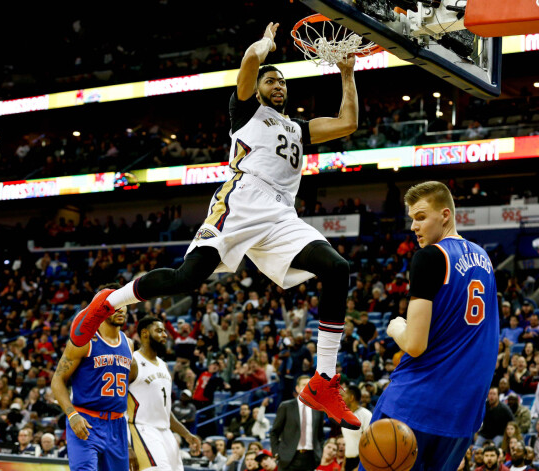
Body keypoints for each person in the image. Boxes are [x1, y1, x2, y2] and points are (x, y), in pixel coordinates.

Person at [71, 22, 362, 430]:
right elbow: (247, 62)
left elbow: (348, 123)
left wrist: (347, 75)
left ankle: (323, 381)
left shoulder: (297, 129)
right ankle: (109, 301)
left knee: (338, 268)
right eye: (271, 80)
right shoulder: (245, 111)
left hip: (281, 214)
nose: (278, 85)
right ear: (258, 89)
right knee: (185, 279)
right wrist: (265, 46)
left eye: (282, 82)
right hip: (241, 202)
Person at [374, 181, 500, 469]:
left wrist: (396, 328)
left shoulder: (430, 256)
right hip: (463, 414)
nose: (414, 227)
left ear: (445, 215)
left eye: (421, 217)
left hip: (415, 403)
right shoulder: (484, 258)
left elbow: (415, 345)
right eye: (412, 219)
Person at [50, 285, 135, 471]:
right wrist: (72, 415)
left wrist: (130, 440)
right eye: (115, 303)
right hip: (86, 420)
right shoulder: (84, 341)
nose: (121, 308)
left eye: (124, 303)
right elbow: (57, 380)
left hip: (118, 425)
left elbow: (130, 385)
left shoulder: (129, 344)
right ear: (101, 307)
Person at [128, 316, 201, 470]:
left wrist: (186, 434)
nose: (165, 335)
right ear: (145, 333)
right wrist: (126, 445)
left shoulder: (164, 365)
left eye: (165, 331)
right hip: (143, 429)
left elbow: (165, 410)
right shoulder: (132, 362)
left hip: (165, 432)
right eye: (159, 331)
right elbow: (117, 405)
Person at [270, 375, 325, 471]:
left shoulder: (318, 409)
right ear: (297, 388)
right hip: (288, 458)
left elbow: (320, 435)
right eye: (304, 385)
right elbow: (274, 432)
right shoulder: (286, 406)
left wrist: (320, 452)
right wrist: (276, 453)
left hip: (311, 458)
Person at [341, 384, 372, 471]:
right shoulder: (344, 416)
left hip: (361, 462)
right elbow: (348, 442)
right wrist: (344, 465)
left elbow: (370, 445)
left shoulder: (366, 415)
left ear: (351, 397)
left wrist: (360, 467)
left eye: (342, 395)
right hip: (348, 461)